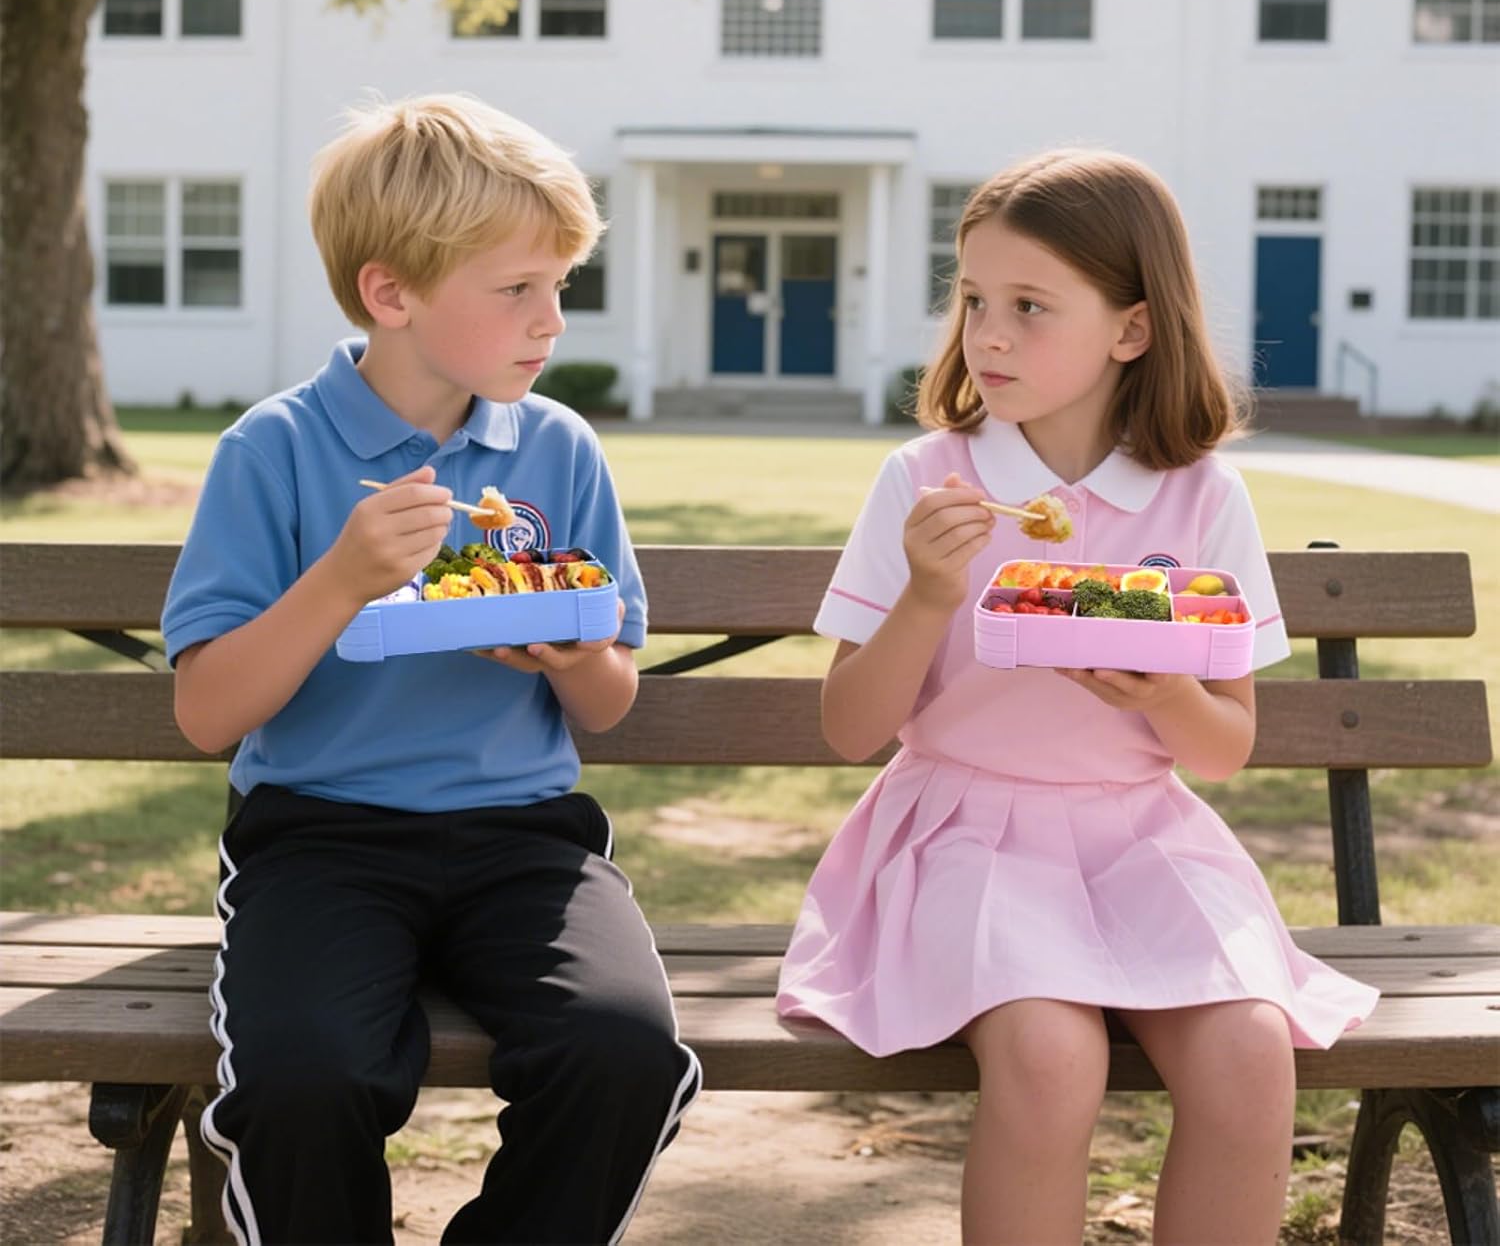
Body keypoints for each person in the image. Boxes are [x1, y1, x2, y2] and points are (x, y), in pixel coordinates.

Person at [775, 149, 1378, 1245]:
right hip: (959, 833)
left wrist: (1162, 691)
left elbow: (1225, 747)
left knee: (1249, 1055)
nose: (986, 335)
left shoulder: (1202, 498)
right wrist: (925, 596)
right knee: (1052, 1058)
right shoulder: (926, 481)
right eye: (972, 302)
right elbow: (851, 729)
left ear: (1131, 330)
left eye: (1030, 307)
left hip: (1140, 836)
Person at [163, 94, 700, 1246]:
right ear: (390, 292)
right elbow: (209, 713)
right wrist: (341, 579)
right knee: (308, 1082)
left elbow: (610, 701)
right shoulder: (275, 451)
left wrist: (573, 653)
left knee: (623, 1056)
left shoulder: (556, 447)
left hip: (523, 838)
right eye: (518, 290)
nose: (551, 320)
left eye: (561, 285)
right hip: (320, 837)